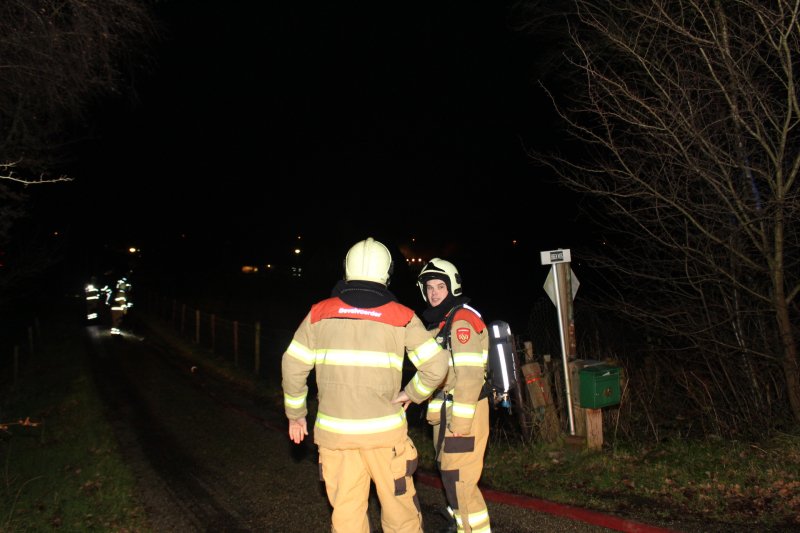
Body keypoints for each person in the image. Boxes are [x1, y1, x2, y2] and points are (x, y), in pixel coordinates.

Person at [281, 237, 450, 533]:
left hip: (336, 436)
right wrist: (413, 393)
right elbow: (437, 366)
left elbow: (293, 365)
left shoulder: (319, 313)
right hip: (385, 437)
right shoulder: (403, 317)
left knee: (346, 514)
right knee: (401, 516)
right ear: (387, 272)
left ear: (348, 268)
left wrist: (296, 414)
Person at [417, 259, 491, 533]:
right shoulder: (441, 322)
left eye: (440, 286)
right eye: (429, 287)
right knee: (452, 478)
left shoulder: (461, 320)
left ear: (453, 287)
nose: (434, 293)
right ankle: (464, 526)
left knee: (459, 483)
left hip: (463, 416)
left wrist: (460, 425)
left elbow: (470, 377)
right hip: (448, 414)